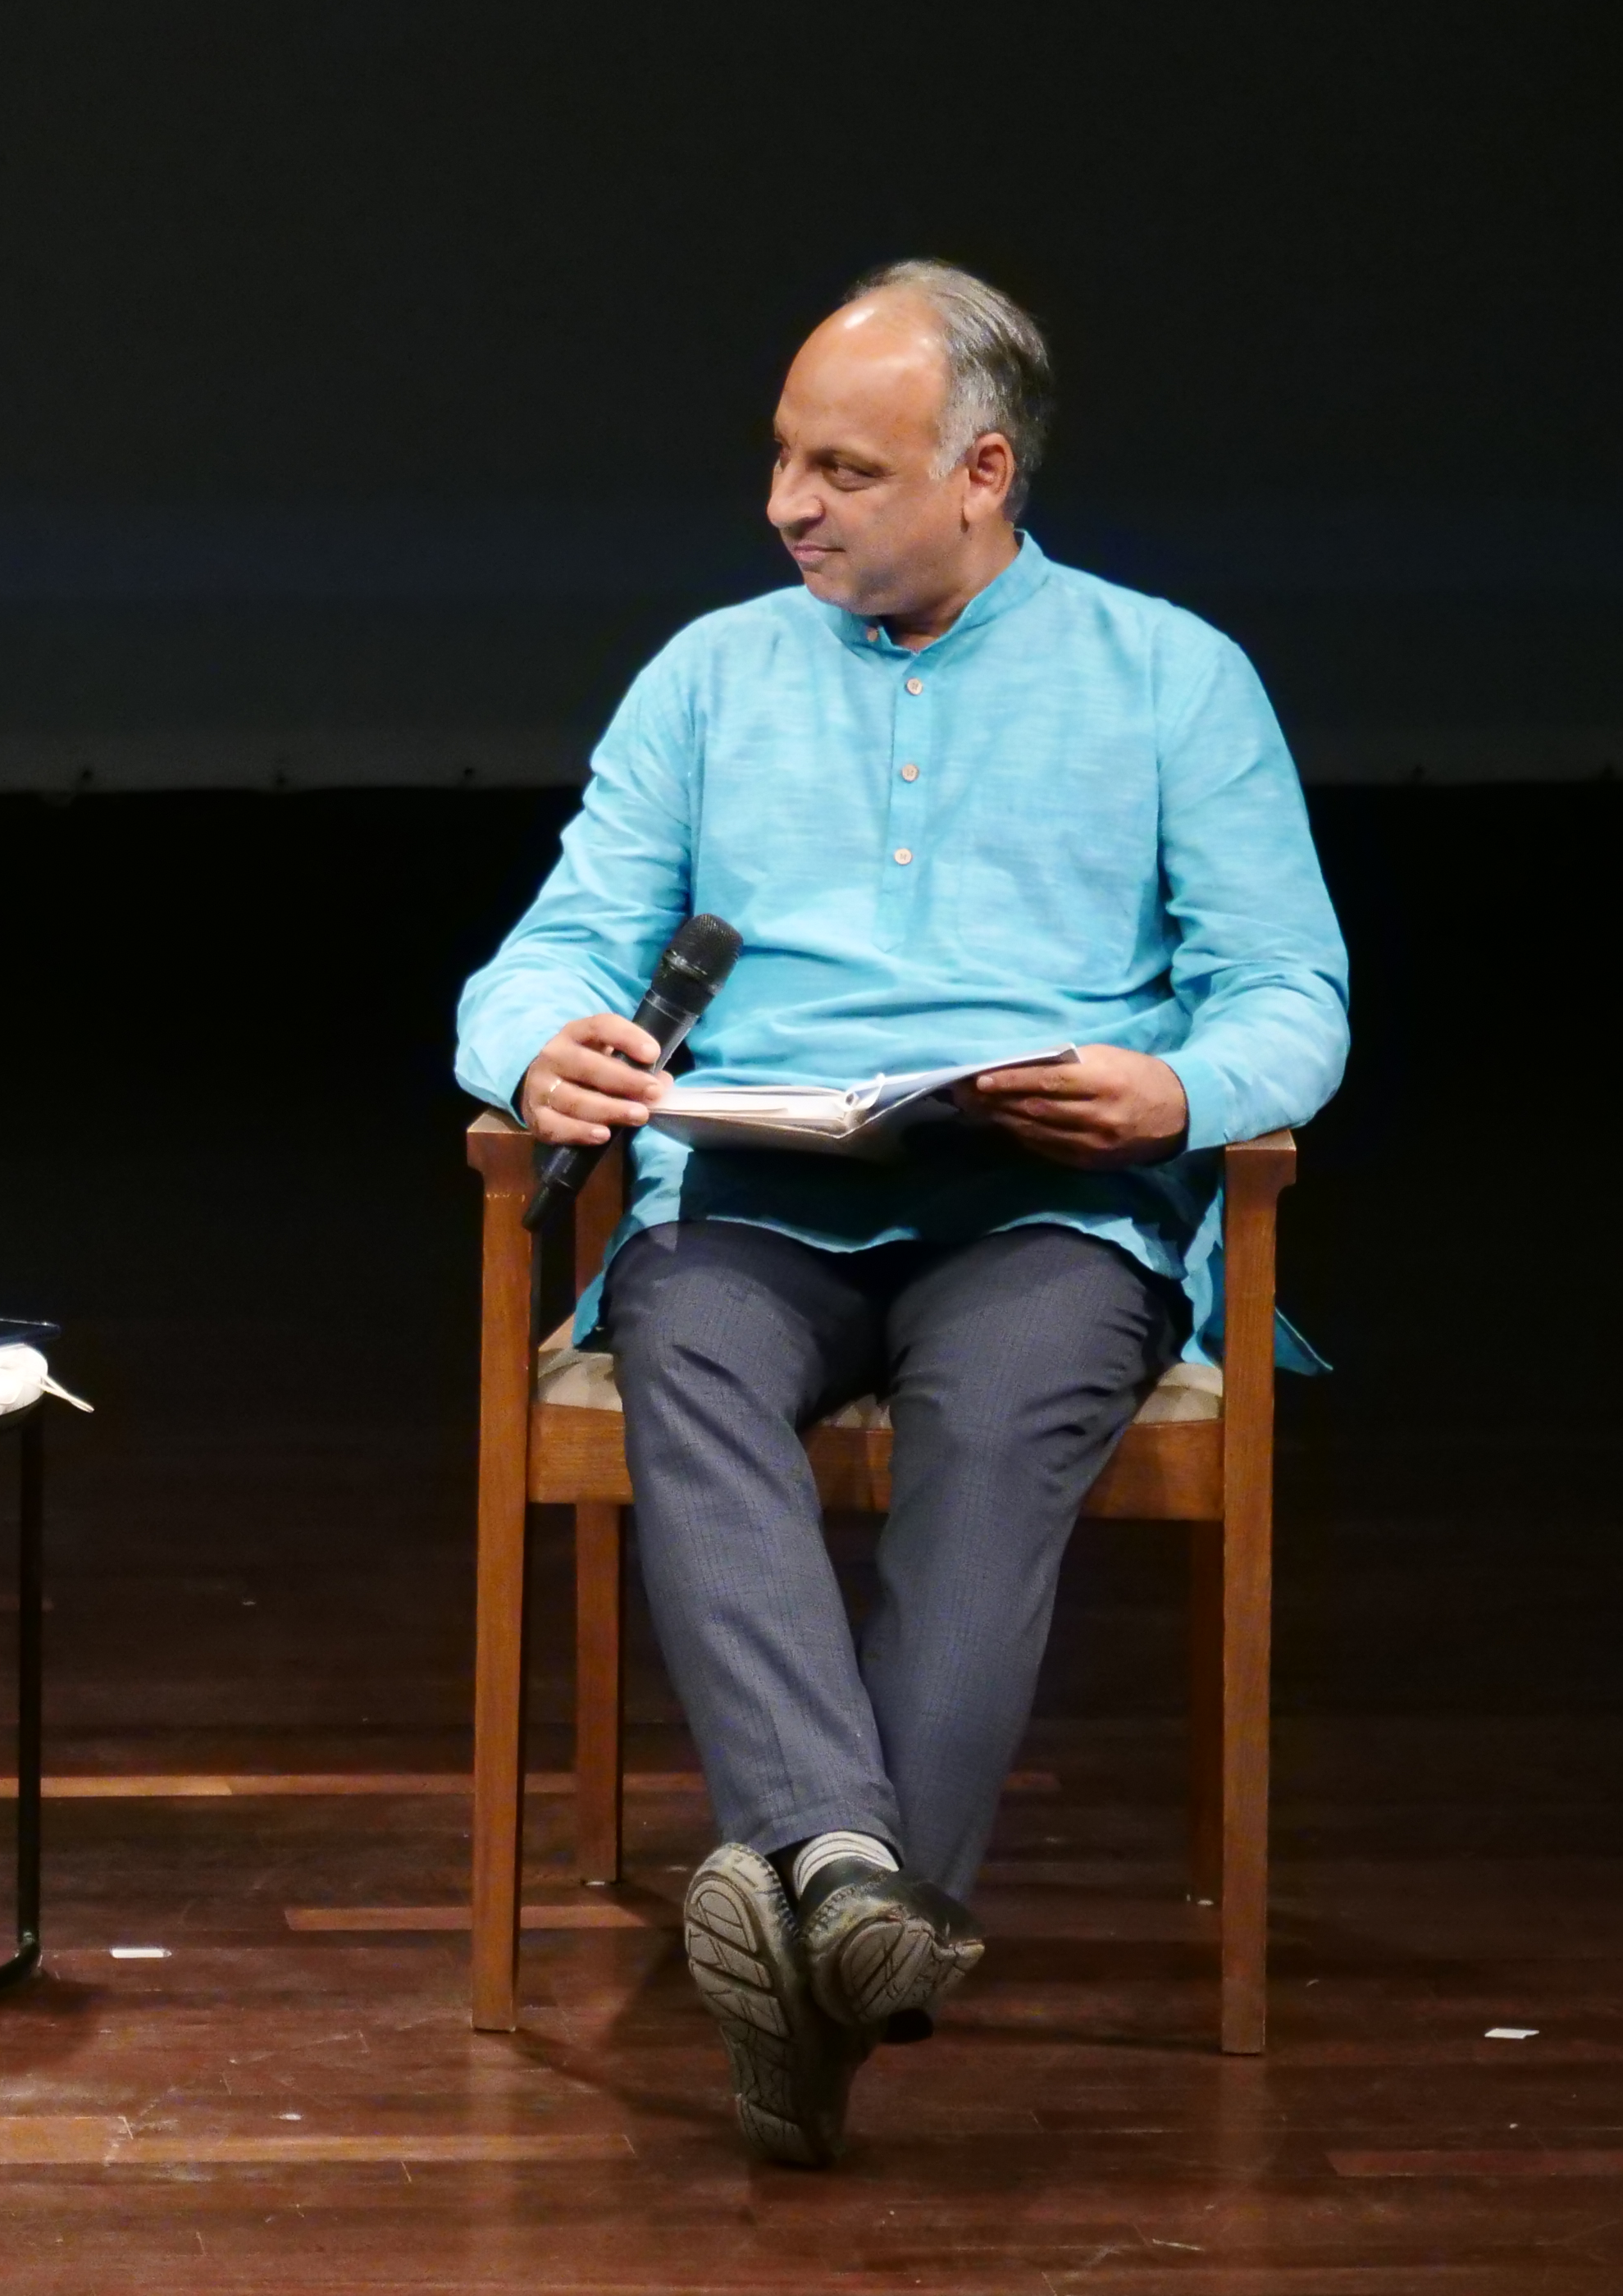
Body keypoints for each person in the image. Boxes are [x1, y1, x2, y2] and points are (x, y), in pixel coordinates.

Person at [453, 262, 1347, 2166]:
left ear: (983, 474)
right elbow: (554, 946)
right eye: (785, 455)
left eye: (843, 469)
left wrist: (1177, 1093)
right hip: (756, 1190)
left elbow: (1292, 990)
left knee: (997, 1433)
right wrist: (540, 1048)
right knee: (684, 1358)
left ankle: (810, 1919)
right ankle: (860, 1891)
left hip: (1045, 1202)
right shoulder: (710, 674)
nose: (788, 503)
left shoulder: (1170, 676)